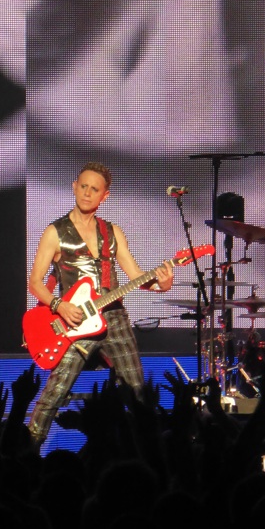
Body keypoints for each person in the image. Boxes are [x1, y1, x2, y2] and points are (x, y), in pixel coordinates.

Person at [26, 161, 174, 450]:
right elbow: (35, 282)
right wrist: (59, 305)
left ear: (104, 196)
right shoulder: (55, 232)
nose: (87, 193)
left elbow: (136, 276)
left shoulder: (112, 232)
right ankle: (26, 453)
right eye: (83, 186)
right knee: (54, 393)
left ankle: (149, 455)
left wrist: (161, 284)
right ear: (74, 187)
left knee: (138, 392)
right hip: (75, 323)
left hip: (114, 319)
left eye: (94, 189)